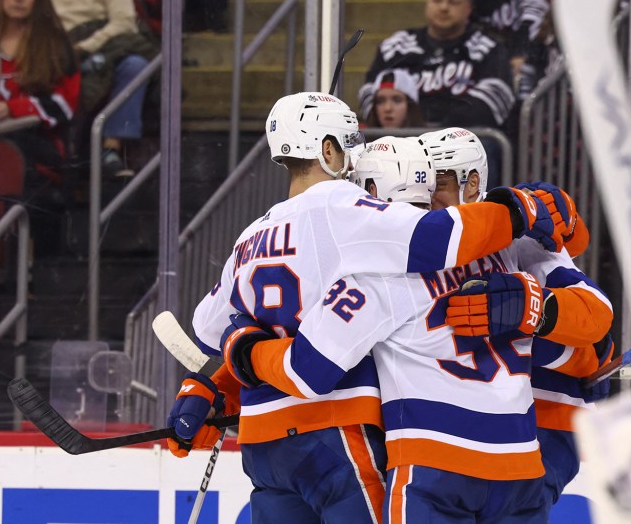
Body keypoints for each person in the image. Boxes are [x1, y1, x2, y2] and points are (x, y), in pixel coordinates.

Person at [165, 93, 572, 519]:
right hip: (336, 432)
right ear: (326, 149)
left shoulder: (249, 237)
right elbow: (438, 238)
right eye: (349, 140)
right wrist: (518, 210)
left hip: (264, 442)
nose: (356, 153)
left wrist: (214, 380)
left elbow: (210, 329)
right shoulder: (346, 209)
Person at [421, 127, 614, 506]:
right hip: (445, 439)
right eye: (422, 182)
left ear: (472, 182)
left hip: (537, 433)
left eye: (440, 183)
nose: (428, 196)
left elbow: (597, 321)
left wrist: (531, 309)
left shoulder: (517, 239)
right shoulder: (413, 239)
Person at [31, 0, 156, 178]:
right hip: (50, 55)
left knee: (135, 66)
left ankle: (112, 146)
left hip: (95, 52)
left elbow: (124, 24)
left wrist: (82, 48)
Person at [358, 0, 515, 130]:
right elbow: (368, 92)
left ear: (468, 8)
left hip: (464, 142)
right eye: (437, 0)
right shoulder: (396, 46)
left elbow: (496, 97)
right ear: (428, 3)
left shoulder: (488, 48)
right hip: (402, 140)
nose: (444, 8)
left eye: (453, 2)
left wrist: (443, 129)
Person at [0, 0, 79, 195]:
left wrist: (12, 109)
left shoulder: (56, 46)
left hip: (35, 144)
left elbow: (65, 105)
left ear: (38, 0)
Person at [361, 68, 426, 129]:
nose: (387, 108)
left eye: (397, 100)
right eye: (380, 101)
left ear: (410, 106)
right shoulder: (360, 137)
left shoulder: (429, 140)